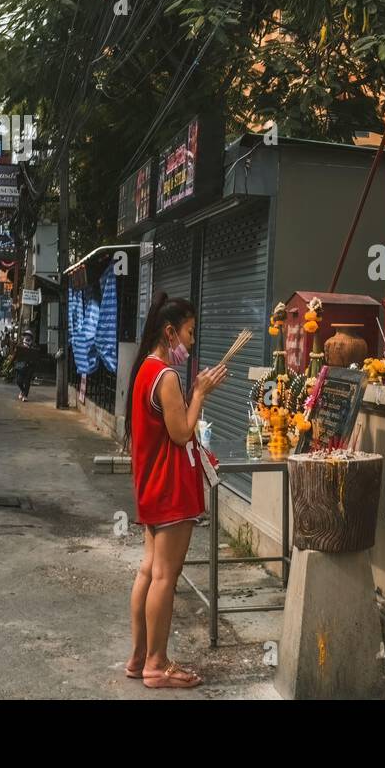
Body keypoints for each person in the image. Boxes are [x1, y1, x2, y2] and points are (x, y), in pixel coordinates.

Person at [124, 292, 227, 689]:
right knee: (165, 576)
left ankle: (138, 658)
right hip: (170, 490)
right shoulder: (165, 376)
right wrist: (199, 393)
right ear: (170, 332)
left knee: (149, 571)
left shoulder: (145, 371)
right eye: (189, 332)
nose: (192, 341)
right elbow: (182, 432)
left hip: (152, 487)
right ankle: (156, 663)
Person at [13, 332, 37, 401]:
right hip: (20, 366)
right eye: (26, 335)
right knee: (18, 381)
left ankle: (25, 396)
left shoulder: (34, 346)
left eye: (29, 336)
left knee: (27, 381)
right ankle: (23, 391)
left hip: (30, 366)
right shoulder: (20, 345)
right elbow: (16, 355)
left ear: (31, 338)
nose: (27, 337)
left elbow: (36, 356)